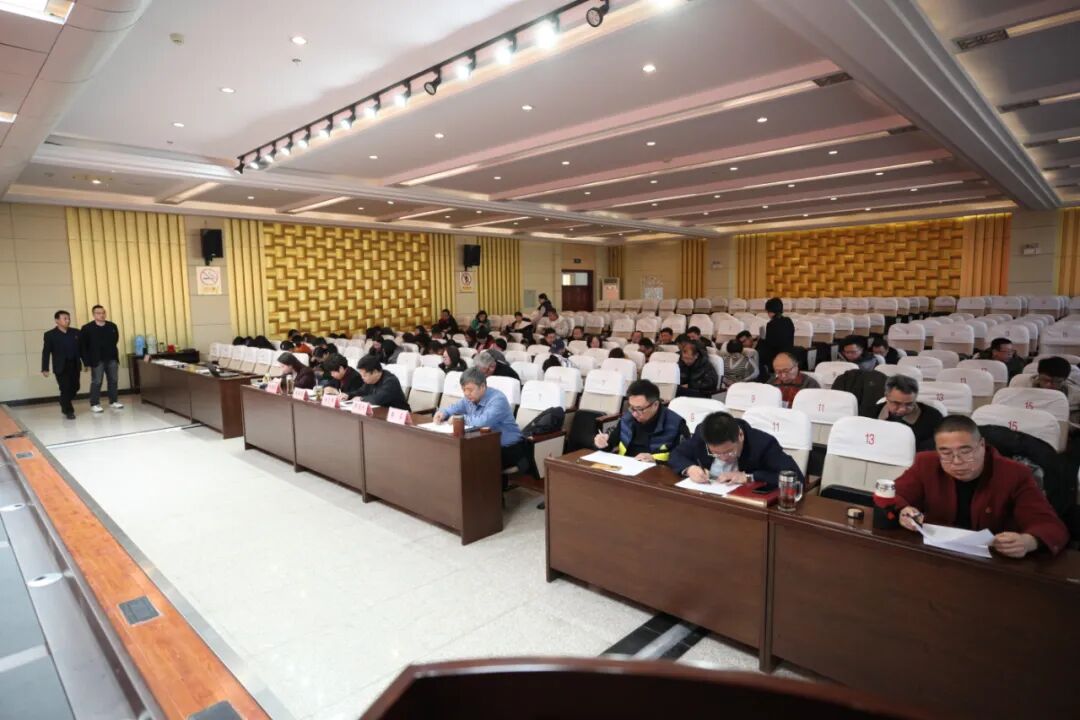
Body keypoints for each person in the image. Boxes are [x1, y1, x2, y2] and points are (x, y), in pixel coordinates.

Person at [895, 415, 1068, 557]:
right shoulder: (926, 463)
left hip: (994, 561)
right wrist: (904, 510)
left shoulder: (1014, 474)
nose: (957, 462)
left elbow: (1051, 525)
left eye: (966, 452)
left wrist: (1028, 541)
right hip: (937, 554)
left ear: (982, 446)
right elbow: (892, 495)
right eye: (946, 453)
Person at [669, 411, 803, 487]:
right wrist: (690, 469)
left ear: (740, 435)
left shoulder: (763, 444)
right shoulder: (702, 434)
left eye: (729, 451)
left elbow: (796, 478)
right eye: (715, 453)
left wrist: (749, 477)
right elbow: (676, 454)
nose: (723, 458)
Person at [434, 368, 529, 471]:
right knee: (454, 455)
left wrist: (461, 419)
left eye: (470, 390)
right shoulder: (469, 398)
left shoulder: (498, 399)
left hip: (509, 448)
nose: (466, 393)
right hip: (484, 444)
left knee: (469, 461)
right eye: (464, 390)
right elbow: (453, 408)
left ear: (482, 387)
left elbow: (483, 422)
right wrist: (443, 413)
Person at [594, 379, 687, 462]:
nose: (634, 414)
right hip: (624, 467)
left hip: (657, 472)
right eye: (631, 407)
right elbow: (610, 444)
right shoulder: (627, 418)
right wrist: (602, 443)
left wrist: (655, 461)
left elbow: (683, 460)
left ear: (655, 404)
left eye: (640, 409)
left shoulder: (676, 424)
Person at [878, 374, 943, 451]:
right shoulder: (871, 413)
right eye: (896, 403)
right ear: (886, 397)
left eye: (909, 404)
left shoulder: (933, 418)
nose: (902, 409)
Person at [79, 304, 123, 413]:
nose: (101, 315)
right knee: (97, 381)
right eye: (98, 313)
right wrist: (86, 362)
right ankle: (94, 403)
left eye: (103, 313)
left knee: (113, 380)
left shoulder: (112, 326)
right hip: (96, 359)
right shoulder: (87, 328)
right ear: (93, 315)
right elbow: (83, 346)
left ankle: (113, 401)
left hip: (112, 358)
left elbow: (115, 340)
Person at [41, 310, 82, 419]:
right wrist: (45, 368)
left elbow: (82, 349)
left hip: (74, 364)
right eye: (65, 318)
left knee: (76, 387)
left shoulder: (76, 332)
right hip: (61, 366)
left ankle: (63, 401)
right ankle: (68, 411)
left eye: (68, 318)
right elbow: (46, 352)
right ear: (57, 320)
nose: (68, 320)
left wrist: (86, 363)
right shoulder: (50, 335)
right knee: (65, 388)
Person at [1033, 356, 1080, 424]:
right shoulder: (1025, 387)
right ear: (1039, 375)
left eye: (1057, 381)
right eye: (1045, 380)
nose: (1048, 385)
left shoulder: (1076, 396)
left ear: (1065, 380)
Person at [757, 298, 794, 374]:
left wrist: (761, 340)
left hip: (777, 355)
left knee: (760, 349)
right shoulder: (788, 321)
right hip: (789, 353)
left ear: (770, 311)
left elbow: (771, 343)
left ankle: (763, 374)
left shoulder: (771, 324)